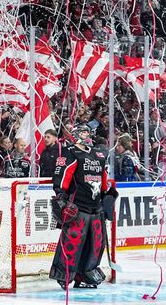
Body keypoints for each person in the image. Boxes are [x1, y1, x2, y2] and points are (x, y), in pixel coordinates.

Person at [49, 124, 117, 289]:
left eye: (88, 131)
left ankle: (85, 274)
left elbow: (103, 177)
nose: (87, 134)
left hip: (96, 207)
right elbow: (61, 178)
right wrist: (61, 198)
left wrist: (106, 195)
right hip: (77, 207)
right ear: (75, 135)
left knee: (96, 244)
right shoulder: (70, 152)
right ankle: (64, 274)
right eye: (83, 132)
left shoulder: (99, 154)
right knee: (72, 241)